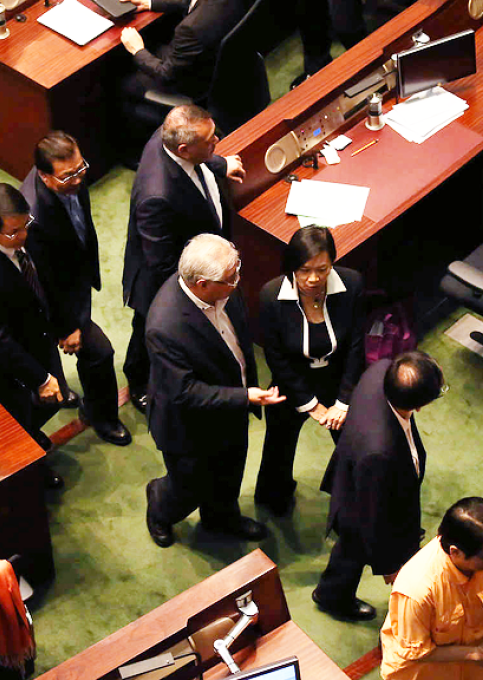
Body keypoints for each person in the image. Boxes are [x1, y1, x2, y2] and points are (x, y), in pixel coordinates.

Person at [144, 234, 285, 547]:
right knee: (187, 488)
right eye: (231, 277)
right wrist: (245, 396)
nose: (238, 281)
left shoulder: (223, 288)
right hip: (188, 427)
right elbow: (185, 392)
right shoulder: (165, 326)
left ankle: (221, 518)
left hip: (228, 412)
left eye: (237, 270)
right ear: (202, 284)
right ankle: (159, 507)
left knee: (229, 472)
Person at [122, 105, 245, 413]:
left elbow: (201, 155)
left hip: (196, 242)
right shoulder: (156, 196)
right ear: (183, 149)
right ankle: (138, 383)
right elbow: (163, 264)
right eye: (210, 141)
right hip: (159, 281)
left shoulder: (171, 134)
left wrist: (218, 163)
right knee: (148, 331)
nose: (217, 140)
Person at [314, 350, 445, 620]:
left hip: (356, 474)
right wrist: (389, 565)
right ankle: (333, 597)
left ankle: (329, 591)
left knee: (349, 548)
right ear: (418, 406)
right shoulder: (380, 453)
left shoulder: (382, 370)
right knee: (355, 545)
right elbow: (374, 515)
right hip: (362, 499)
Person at [20, 131, 131, 446]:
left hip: (71, 279)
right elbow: (45, 282)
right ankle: (102, 416)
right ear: (44, 175)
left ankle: (65, 391)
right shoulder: (35, 218)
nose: (80, 179)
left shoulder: (70, 179)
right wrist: (69, 327)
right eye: (70, 175)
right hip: (43, 302)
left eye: (82, 168)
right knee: (99, 353)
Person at [0, 183, 69, 489]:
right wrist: (39, 379)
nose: (23, 235)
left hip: (38, 339)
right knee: (21, 422)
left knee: (54, 398)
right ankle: (35, 465)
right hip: (9, 364)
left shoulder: (19, 233)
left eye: (26, 225)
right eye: (14, 232)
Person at [254, 226, 365, 516]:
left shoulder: (351, 284)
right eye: (304, 270)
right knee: (278, 447)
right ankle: (273, 497)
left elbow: (356, 346)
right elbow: (276, 357)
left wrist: (343, 402)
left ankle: (351, 503)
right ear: (292, 266)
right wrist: (310, 405)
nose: (313, 279)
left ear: (332, 264)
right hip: (293, 383)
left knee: (354, 447)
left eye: (322, 269)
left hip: (339, 381)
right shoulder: (270, 295)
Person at [380, 497, 483, 680]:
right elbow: (417, 652)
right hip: (425, 673)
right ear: (456, 552)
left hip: (476, 669)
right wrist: (473, 654)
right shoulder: (416, 590)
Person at [118, 0, 246, 148]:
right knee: (158, 43)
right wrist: (150, 3)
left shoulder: (190, 28)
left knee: (126, 83)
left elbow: (165, 74)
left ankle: (135, 152)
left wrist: (137, 50)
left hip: (197, 83)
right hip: (226, 64)